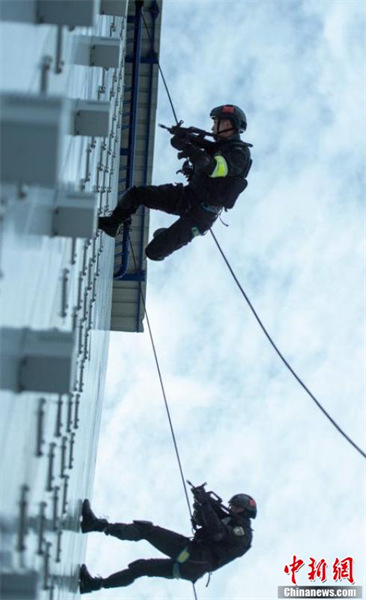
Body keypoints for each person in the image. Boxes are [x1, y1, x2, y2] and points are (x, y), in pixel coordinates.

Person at [98, 104, 252, 261]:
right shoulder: (218, 147)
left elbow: (214, 168)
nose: (212, 128)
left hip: (201, 217)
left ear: (227, 124)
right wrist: (185, 141)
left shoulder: (239, 153)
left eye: (216, 122)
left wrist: (190, 149)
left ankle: (164, 236)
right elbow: (205, 160)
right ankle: (112, 223)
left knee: (154, 252)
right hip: (188, 196)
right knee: (136, 194)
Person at [78, 487, 257, 593]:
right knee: (141, 568)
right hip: (191, 565)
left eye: (235, 506)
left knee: (146, 530)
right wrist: (200, 506)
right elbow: (208, 524)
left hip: (193, 557)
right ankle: (94, 585)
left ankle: (96, 525)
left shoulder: (243, 533)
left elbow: (217, 532)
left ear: (243, 510)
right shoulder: (231, 521)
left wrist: (205, 504)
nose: (231, 507)